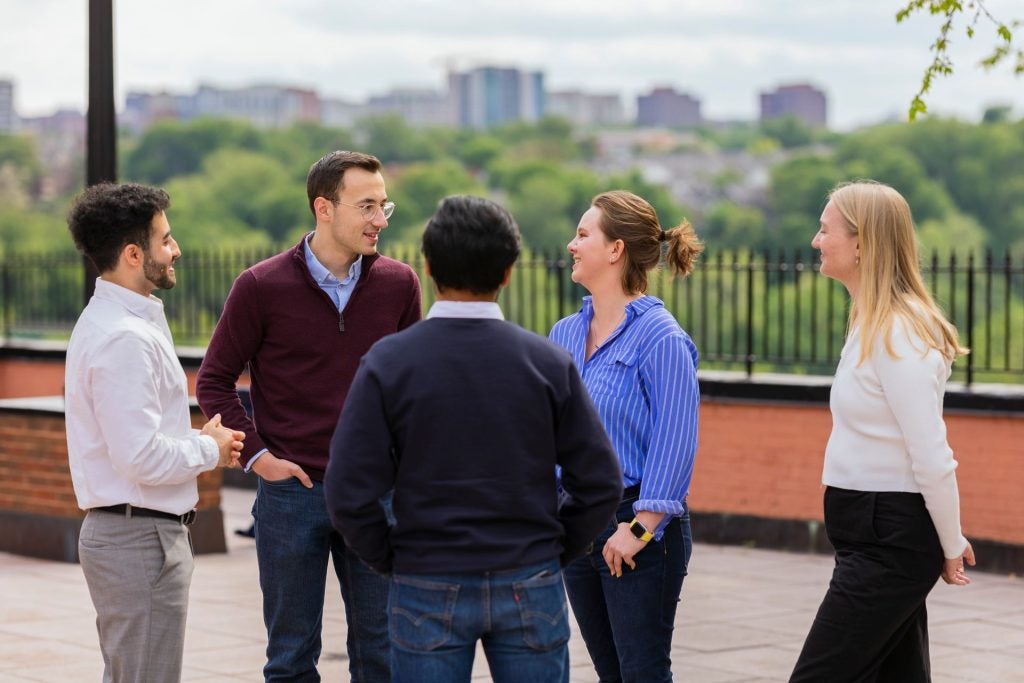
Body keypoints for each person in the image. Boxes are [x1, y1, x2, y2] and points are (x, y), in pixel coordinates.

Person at [323, 195, 624, 683]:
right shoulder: (547, 364)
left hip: (426, 574)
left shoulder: (389, 364)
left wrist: (392, 557)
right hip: (529, 573)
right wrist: (552, 549)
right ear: (508, 271)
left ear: (428, 266)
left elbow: (347, 490)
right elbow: (601, 482)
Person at [196, 151, 421, 682]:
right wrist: (258, 457)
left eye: (383, 205)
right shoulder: (260, 286)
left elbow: (415, 385)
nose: (380, 220)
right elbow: (213, 380)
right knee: (291, 657)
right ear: (324, 207)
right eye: (366, 206)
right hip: (291, 495)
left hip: (375, 494)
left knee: (383, 655)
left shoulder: (399, 284)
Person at [790, 180, 975, 682]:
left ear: (863, 242)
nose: (816, 240)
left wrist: (951, 540)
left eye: (826, 230)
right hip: (869, 532)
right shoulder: (868, 322)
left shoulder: (900, 331)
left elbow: (931, 451)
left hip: (889, 538)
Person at [64, 182, 245, 683]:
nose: (176, 249)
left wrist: (196, 441)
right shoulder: (123, 337)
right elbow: (139, 456)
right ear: (132, 253)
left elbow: (138, 435)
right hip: (138, 539)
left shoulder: (124, 322)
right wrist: (209, 447)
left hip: (138, 535)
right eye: (166, 239)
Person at [549, 190, 703, 683]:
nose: (571, 245)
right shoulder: (565, 335)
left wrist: (640, 529)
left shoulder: (662, 338)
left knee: (642, 674)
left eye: (583, 234)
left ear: (615, 250)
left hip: (637, 528)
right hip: (578, 524)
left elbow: (676, 442)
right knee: (610, 674)